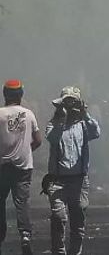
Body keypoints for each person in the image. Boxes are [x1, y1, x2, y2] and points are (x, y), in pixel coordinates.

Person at [45, 86, 100, 255]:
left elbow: (96, 132)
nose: (69, 106)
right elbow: (52, 138)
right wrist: (61, 119)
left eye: (72, 102)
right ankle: (59, 252)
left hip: (79, 180)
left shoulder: (83, 125)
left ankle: (75, 252)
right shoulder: (53, 124)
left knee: (78, 222)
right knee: (58, 217)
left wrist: (84, 113)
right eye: (66, 102)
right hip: (58, 180)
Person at [0, 80, 41, 255]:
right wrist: (25, 150)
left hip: (2, 165)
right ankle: (25, 235)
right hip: (23, 166)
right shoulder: (28, 114)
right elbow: (38, 140)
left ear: (4, 94)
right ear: (21, 94)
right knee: (22, 202)